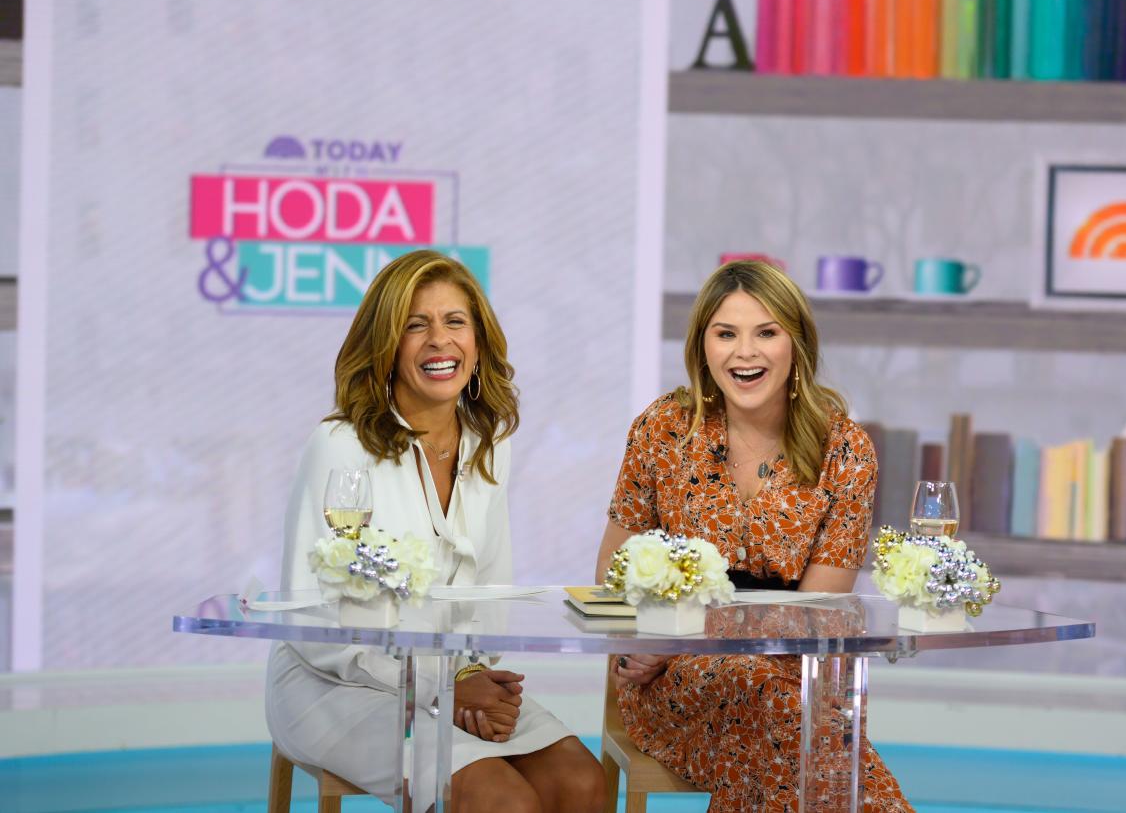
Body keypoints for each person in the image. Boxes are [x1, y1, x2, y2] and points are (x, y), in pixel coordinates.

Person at [266, 250, 604, 813]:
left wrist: (470, 677)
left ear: (478, 340)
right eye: (415, 325)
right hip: (337, 686)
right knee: (500, 800)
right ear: (386, 347)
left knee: (582, 782)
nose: (439, 341)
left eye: (455, 322)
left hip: (451, 678)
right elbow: (313, 619)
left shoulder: (488, 441)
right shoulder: (341, 445)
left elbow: (488, 588)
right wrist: (436, 687)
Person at [595, 260, 911, 812]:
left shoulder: (845, 450)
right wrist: (652, 646)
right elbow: (611, 574)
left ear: (797, 345)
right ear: (702, 347)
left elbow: (818, 614)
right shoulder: (663, 429)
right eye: (726, 334)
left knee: (777, 712)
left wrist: (690, 630)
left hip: (796, 674)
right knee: (787, 721)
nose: (745, 353)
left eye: (766, 332)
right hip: (675, 681)